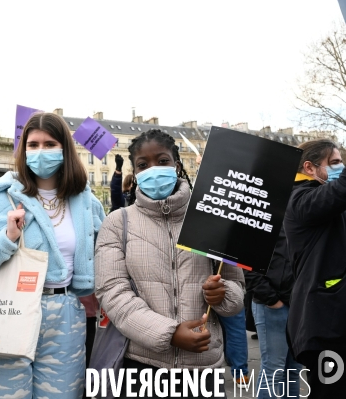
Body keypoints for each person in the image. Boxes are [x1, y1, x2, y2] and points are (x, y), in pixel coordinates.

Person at [0, 112, 105, 399]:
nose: (40, 151)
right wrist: (6, 239)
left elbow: (108, 256)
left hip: (66, 317)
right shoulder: (3, 197)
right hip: (7, 312)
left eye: (49, 144)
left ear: (65, 150)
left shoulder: (86, 200)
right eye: (32, 145)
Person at [95, 129, 245, 398]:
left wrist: (223, 295)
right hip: (141, 368)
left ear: (176, 165)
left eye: (162, 161)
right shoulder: (118, 222)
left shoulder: (211, 218)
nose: (153, 169)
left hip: (203, 370)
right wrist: (170, 333)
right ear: (135, 171)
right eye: (143, 164)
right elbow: (112, 293)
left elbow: (236, 290)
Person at [284, 139, 346, 396]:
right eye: (334, 163)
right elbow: (336, 194)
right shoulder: (299, 199)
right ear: (309, 167)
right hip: (323, 327)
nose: (340, 167)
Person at [245, 226, 301, 398]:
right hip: (272, 305)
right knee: (273, 370)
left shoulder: (302, 215)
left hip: (298, 305)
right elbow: (247, 261)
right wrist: (270, 299)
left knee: (293, 370)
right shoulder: (265, 218)